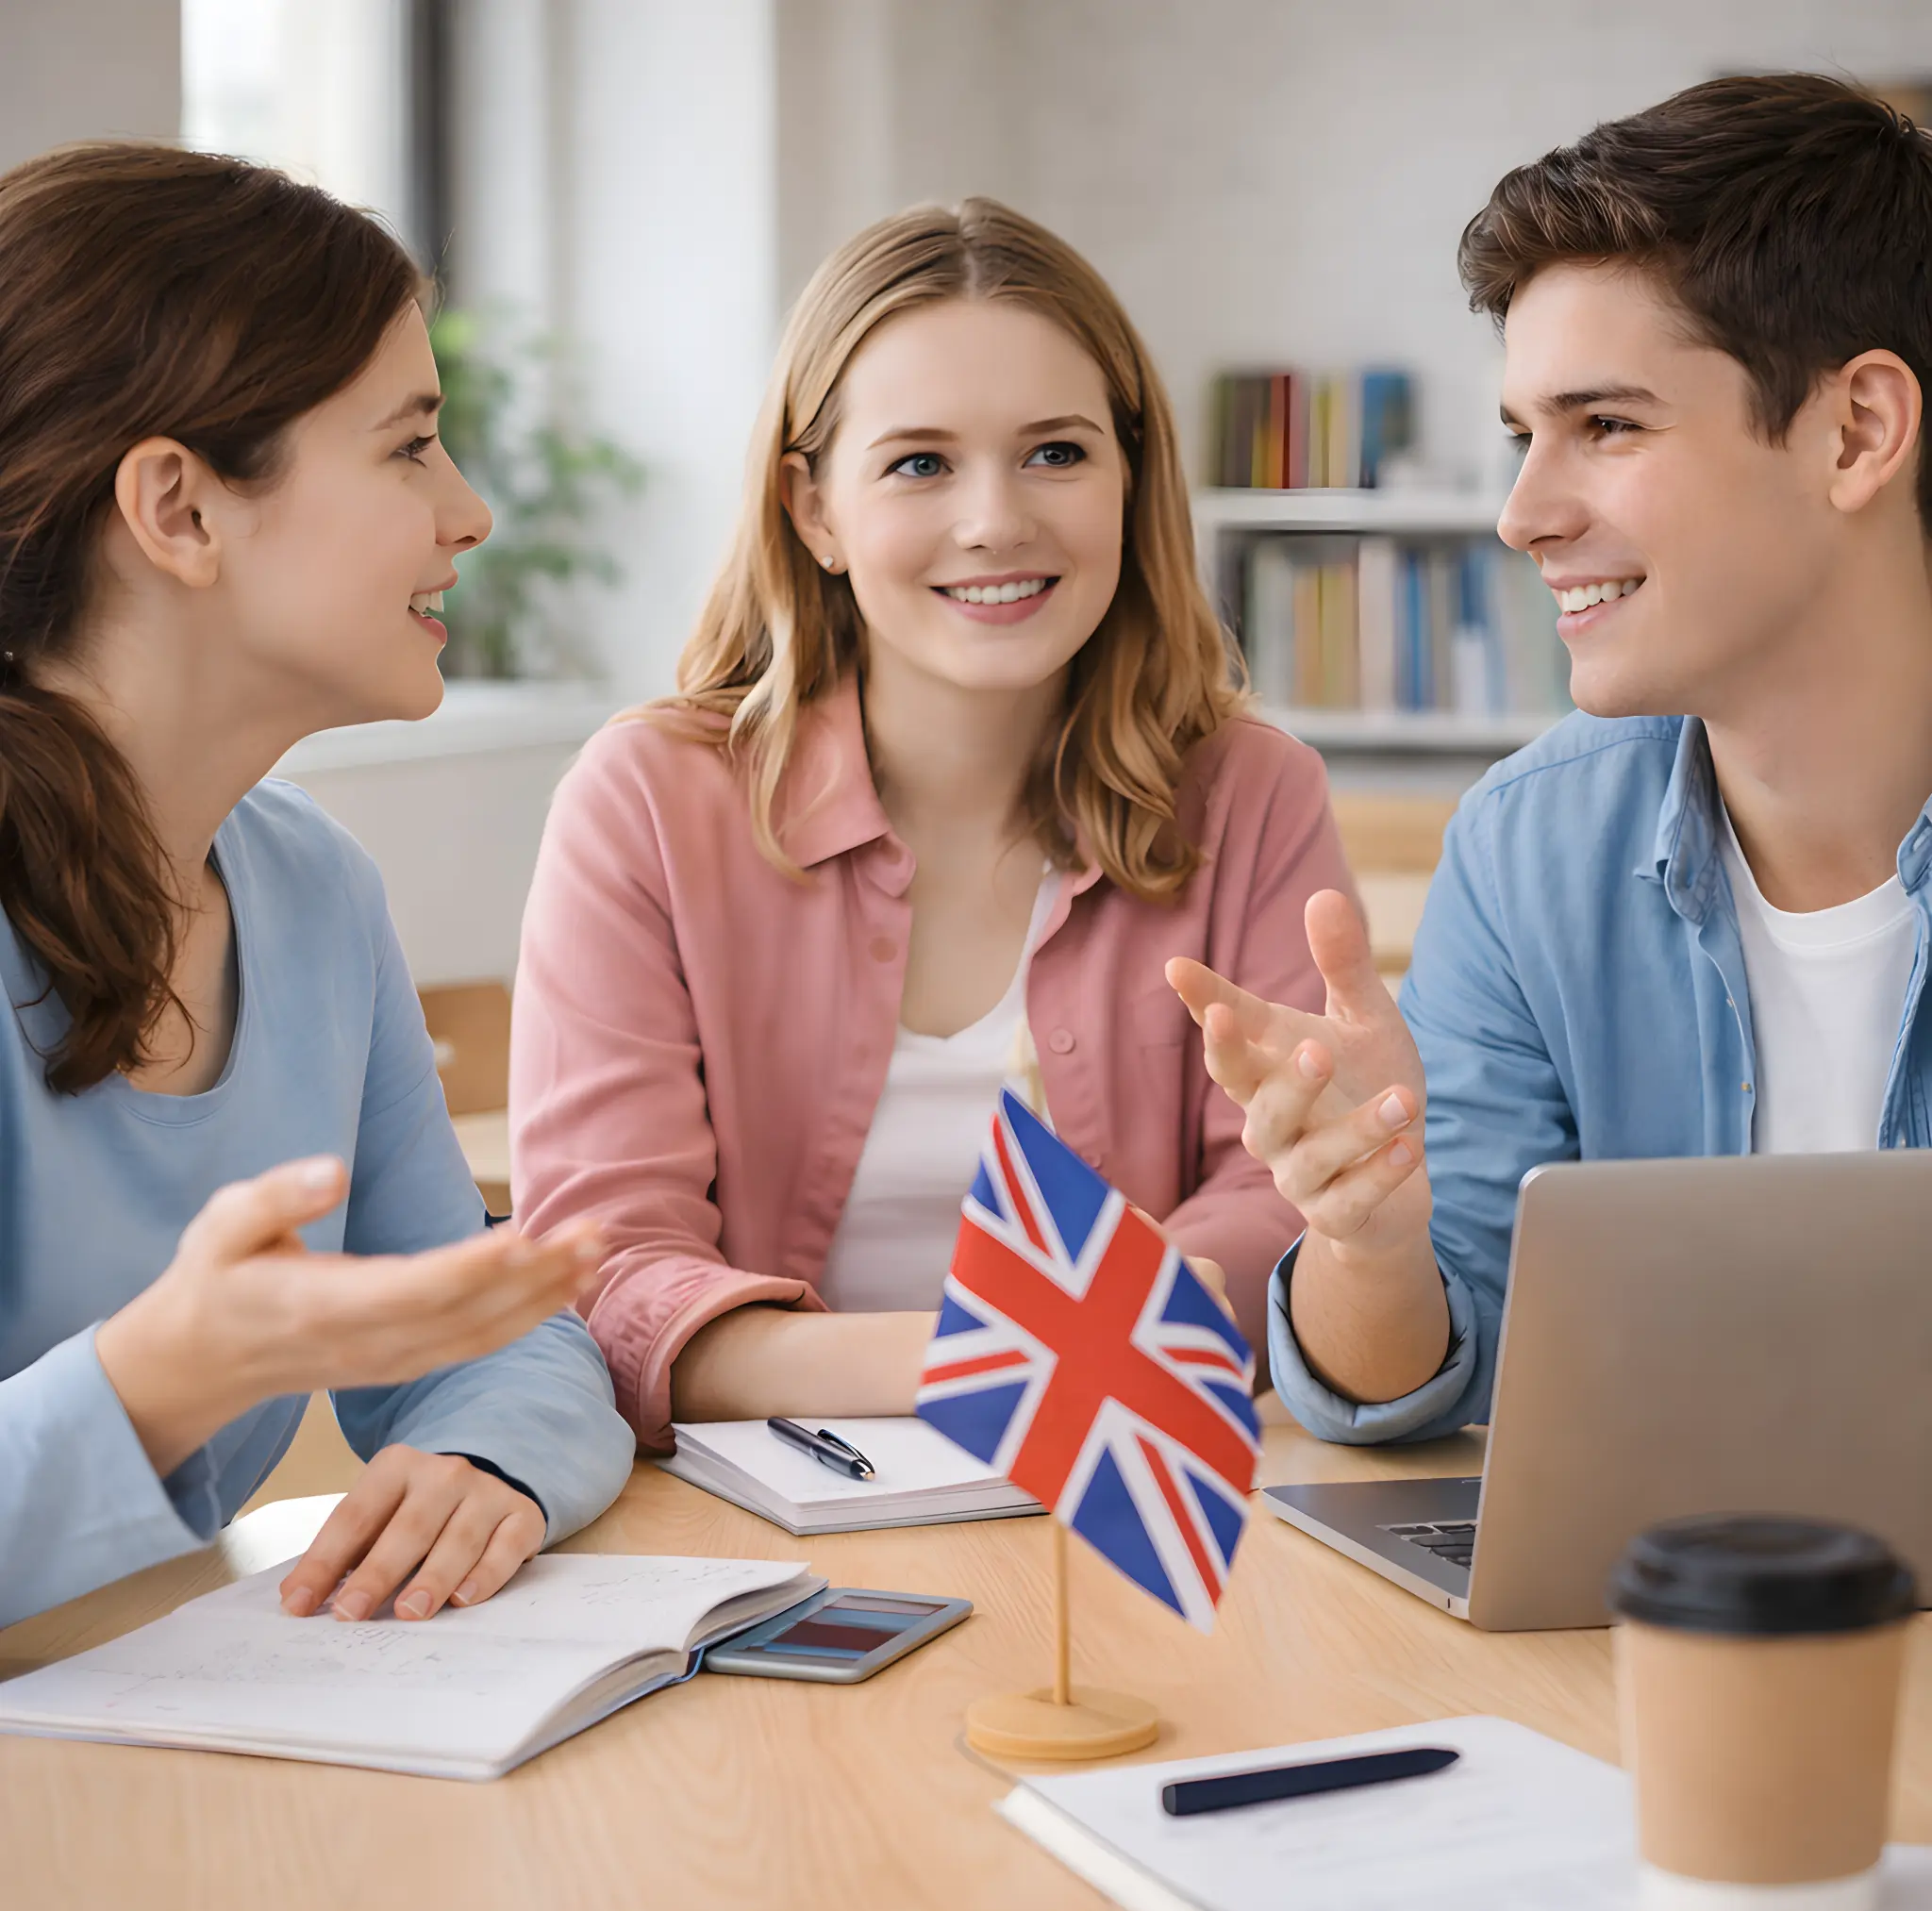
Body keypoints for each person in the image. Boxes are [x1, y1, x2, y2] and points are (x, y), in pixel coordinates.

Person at [510, 198, 1354, 1451]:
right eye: (920, 463)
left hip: (1132, 1495)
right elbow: (614, 1281)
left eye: (1058, 453)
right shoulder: (646, 800)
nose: (996, 521)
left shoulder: (1252, 791)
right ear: (814, 511)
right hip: (761, 1529)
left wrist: (1044, 1363)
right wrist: (1014, 1361)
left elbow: (1284, 1206)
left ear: (1131, 478)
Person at [1170, 73, 1932, 1443]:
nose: (1523, 515)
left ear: (1856, 431)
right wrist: (1373, 1243)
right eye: (1524, 437)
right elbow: (1404, 1392)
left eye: (1610, 425)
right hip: (1650, 1630)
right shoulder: (1528, 853)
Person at [0, 144, 635, 1632]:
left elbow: (500, 1325)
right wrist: (170, 1374)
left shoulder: (312, 893)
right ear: (181, 509)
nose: (467, 512)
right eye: (409, 446)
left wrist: (487, 1455)